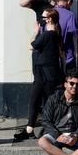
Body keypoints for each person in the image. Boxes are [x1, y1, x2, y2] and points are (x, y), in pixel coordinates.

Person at [17, 8, 65, 140]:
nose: (41, 20)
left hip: (44, 74)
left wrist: (36, 32)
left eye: (43, 18)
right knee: (45, 101)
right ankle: (31, 129)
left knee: (36, 101)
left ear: (49, 19)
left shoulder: (47, 34)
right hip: (49, 73)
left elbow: (32, 45)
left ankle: (38, 129)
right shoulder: (56, 34)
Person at [54, 0, 78, 72]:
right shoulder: (70, 15)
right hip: (67, 55)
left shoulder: (48, 13)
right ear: (69, 2)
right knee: (70, 79)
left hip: (50, 55)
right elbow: (76, 33)